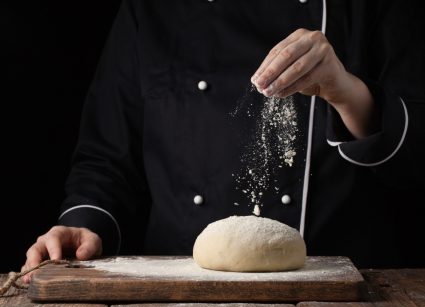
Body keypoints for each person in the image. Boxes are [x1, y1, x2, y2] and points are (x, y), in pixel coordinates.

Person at [22, 0, 425, 282]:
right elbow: (106, 158)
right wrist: (83, 225)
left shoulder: (371, 5)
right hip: (174, 295)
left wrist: (345, 91)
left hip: (344, 292)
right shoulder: (151, 8)